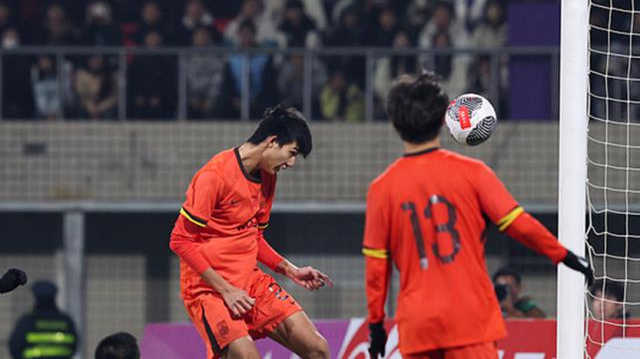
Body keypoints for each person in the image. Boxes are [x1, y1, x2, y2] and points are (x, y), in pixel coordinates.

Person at [363, 72, 593, 358]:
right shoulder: (473, 174)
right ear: (443, 120)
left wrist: (376, 325)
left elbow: (377, 266)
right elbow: (519, 225)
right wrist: (564, 255)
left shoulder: (381, 188)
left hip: (419, 326)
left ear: (395, 123)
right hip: (469, 320)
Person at [170, 105, 333, 359]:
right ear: (272, 141)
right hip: (210, 290)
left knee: (317, 348)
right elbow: (180, 240)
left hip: (251, 283)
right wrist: (226, 290)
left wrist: (290, 270)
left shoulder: (268, 177)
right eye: (291, 153)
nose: (291, 163)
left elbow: (254, 236)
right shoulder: (214, 176)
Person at [9, 280, 78, 359]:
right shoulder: (66, 321)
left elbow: (15, 348)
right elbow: (74, 345)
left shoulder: (27, 321)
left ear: (36, 297)